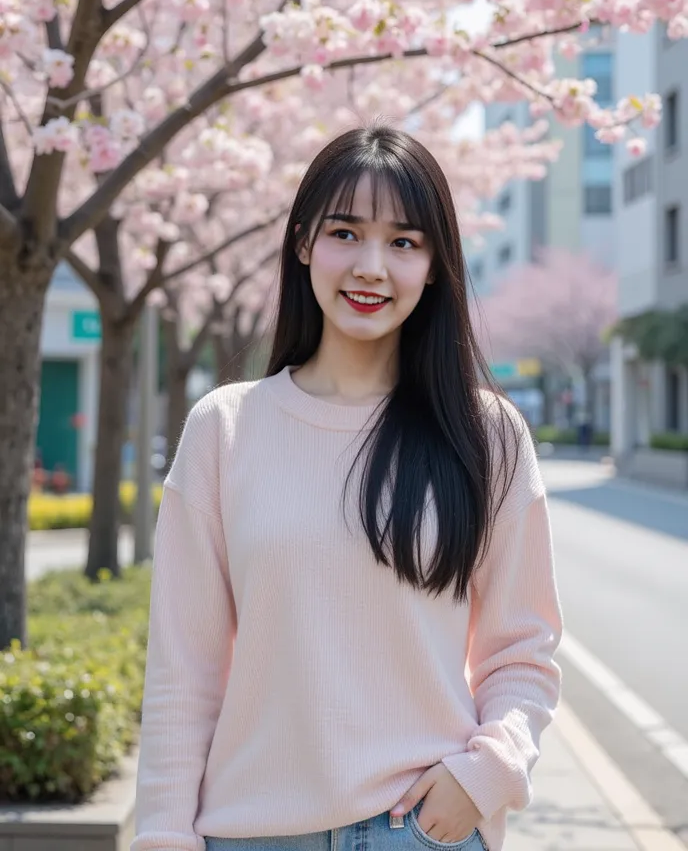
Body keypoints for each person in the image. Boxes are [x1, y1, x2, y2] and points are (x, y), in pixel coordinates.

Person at [132, 125, 563, 851]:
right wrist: (164, 835)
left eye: (404, 242)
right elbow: (184, 670)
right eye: (345, 233)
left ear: (434, 265)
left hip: (422, 831)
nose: (371, 267)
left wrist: (486, 775)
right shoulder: (224, 429)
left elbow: (524, 650)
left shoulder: (486, 435)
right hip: (251, 832)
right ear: (303, 243)